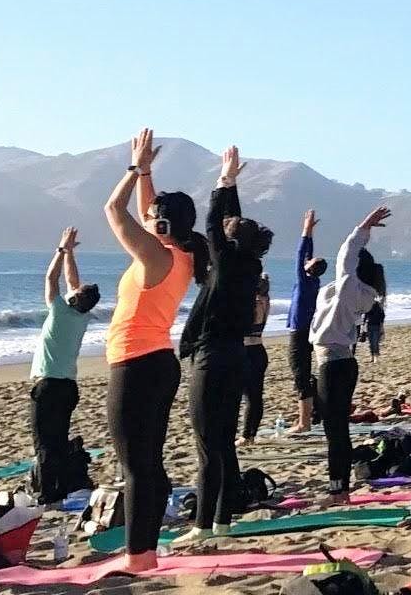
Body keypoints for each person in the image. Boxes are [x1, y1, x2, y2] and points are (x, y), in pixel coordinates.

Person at [101, 128, 203, 575]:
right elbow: (144, 211)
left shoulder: (156, 255)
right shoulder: (177, 253)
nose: (150, 218)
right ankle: (146, 550)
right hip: (154, 361)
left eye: (156, 217)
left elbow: (113, 210)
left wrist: (134, 169)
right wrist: (147, 173)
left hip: (138, 362)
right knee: (146, 460)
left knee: (136, 464)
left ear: (163, 226)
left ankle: (139, 555)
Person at [175, 146, 276, 546]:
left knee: (206, 444)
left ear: (231, 242)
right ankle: (220, 521)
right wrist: (232, 183)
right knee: (221, 441)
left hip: (213, 358)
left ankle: (201, 526)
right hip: (236, 358)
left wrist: (225, 180)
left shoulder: (229, 262)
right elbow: (229, 223)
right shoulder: (250, 266)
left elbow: (215, 220)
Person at [307, 209, 391, 497]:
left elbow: (347, 253)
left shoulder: (348, 287)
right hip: (340, 361)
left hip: (333, 363)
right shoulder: (361, 293)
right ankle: (340, 482)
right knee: (336, 426)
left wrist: (363, 227)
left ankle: (338, 486)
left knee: (335, 429)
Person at [29, 227, 100, 505]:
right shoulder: (81, 317)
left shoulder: (59, 310)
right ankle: (58, 487)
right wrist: (71, 252)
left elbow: (52, 278)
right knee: (57, 440)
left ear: (74, 298)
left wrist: (60, 250)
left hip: (47, 385)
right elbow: (73, 281)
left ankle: (48, 494)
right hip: (68, 386)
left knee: (44, 443)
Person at [288, 212, 325, 434]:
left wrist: (305, 230)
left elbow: (300, 254)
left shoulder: (304, 282)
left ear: (308, 268)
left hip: (299, 332)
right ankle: (314, 413)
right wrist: (310, 232)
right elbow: (306, 256)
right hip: (308, 330)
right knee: (305, 374)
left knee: (300, 375)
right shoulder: (314, 281)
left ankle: (304, 422)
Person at [241, 273, 271, 442]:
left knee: (249, 397)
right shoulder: (265, 301)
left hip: (248, 350)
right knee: (255, 396)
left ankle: (246, 435)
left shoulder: (253, 304)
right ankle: (251, 434)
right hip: (259, 349)